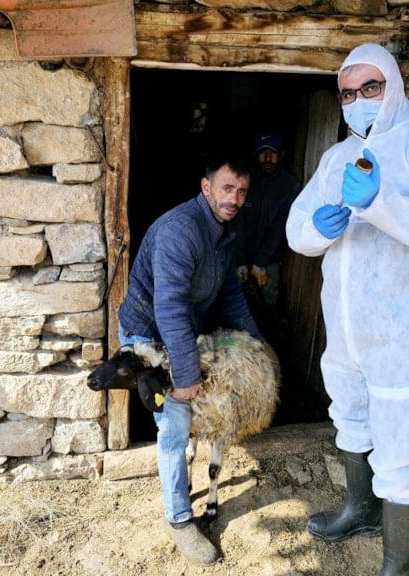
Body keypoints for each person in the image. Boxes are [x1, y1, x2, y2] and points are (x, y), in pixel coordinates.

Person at [285, 43, 409, 574]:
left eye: (371, 87)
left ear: (394, 85)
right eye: (348, 94)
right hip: (347, 331)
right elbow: (297, 227)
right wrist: (315, 230)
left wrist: (380, 203)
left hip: (406, 337)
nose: (359, 100)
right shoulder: (336, 157)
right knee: (350, 418)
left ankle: (398, 564)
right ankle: (360, 510)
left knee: (402, 447)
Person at [117, 155, 262, 565]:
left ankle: (181, 470)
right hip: (149, 334)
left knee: (186, 415)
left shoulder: (224, 231)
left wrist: (257, 345)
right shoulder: (180, 231)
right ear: (206, 187)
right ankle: (179, 518)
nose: (234, 199)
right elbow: (169, 307)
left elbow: (230, 294)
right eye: (227, 188)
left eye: (241, 192)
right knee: (174, 426)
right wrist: (184, 373)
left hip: (181, 331)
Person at [236, 132, 300, 309]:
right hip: (241, 254)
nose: (268, 158)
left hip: (270, 258)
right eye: (263, 153)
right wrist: (240, 261)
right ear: (255, 155)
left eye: (273, 153)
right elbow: (237, 222)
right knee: (236, 302)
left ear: (281, 155)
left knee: (268, 303)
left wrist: (260, 262)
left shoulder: (289, 185)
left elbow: (279, 227)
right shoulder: (244, 180)